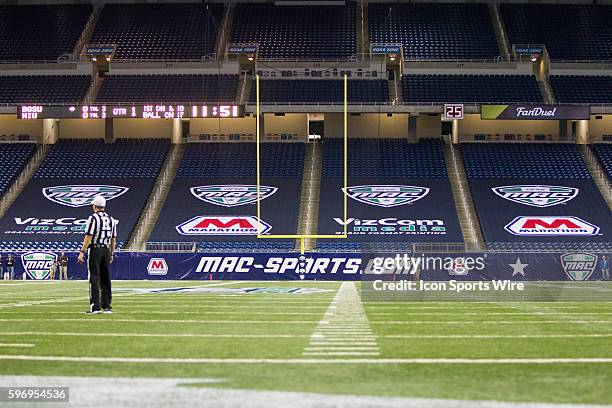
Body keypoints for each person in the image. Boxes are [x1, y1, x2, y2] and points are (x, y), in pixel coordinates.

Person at [77, 195, 117, 315]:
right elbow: (113, 238)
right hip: (105, 249)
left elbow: (88, 236)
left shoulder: (93, 218)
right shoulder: (111, 219)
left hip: (95, 249)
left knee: (94, 277)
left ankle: (95, 306)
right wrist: (112, 253)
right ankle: (107, 306)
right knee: (106, 278)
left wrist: (82, 251)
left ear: (94, 206)